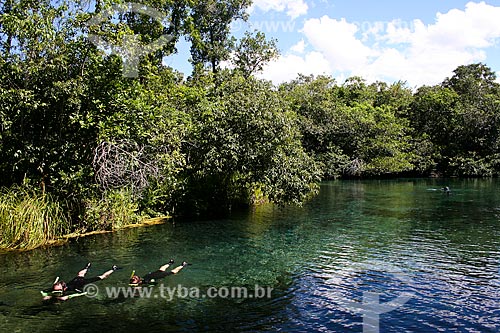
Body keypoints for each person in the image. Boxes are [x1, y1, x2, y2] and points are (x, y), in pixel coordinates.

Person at [42, 263, 119, 301]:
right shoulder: (55, 289)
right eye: (55, 290)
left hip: (81, 282)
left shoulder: (73, 289)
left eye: (58, 290)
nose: (56, 291)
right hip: (74, 280)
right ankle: (86, 267)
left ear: (64, 289)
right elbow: (43, 291)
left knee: (102, 277)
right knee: (80, 274)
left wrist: (63, 297)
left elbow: (82, 293)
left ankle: (113, 269)